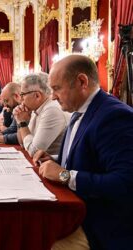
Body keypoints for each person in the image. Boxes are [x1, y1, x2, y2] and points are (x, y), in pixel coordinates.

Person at [33, 54, 133, 250]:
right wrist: (53, 159)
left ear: (81, 82)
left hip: (101, 226)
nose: (52, 96)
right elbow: (90, 158)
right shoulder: (81, 109)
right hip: (78, 212)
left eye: (56, 88)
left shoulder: (114, 116)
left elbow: (125, 183)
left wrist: (63, 175)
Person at [13, 72, 69, 156]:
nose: (21, 99)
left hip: (53, 166)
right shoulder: (36, 109)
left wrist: (22, 122)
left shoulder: (51, 109)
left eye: (22, 94)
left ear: (37, 96)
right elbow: (23, 143)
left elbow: (34, 152)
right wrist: (19, 120)